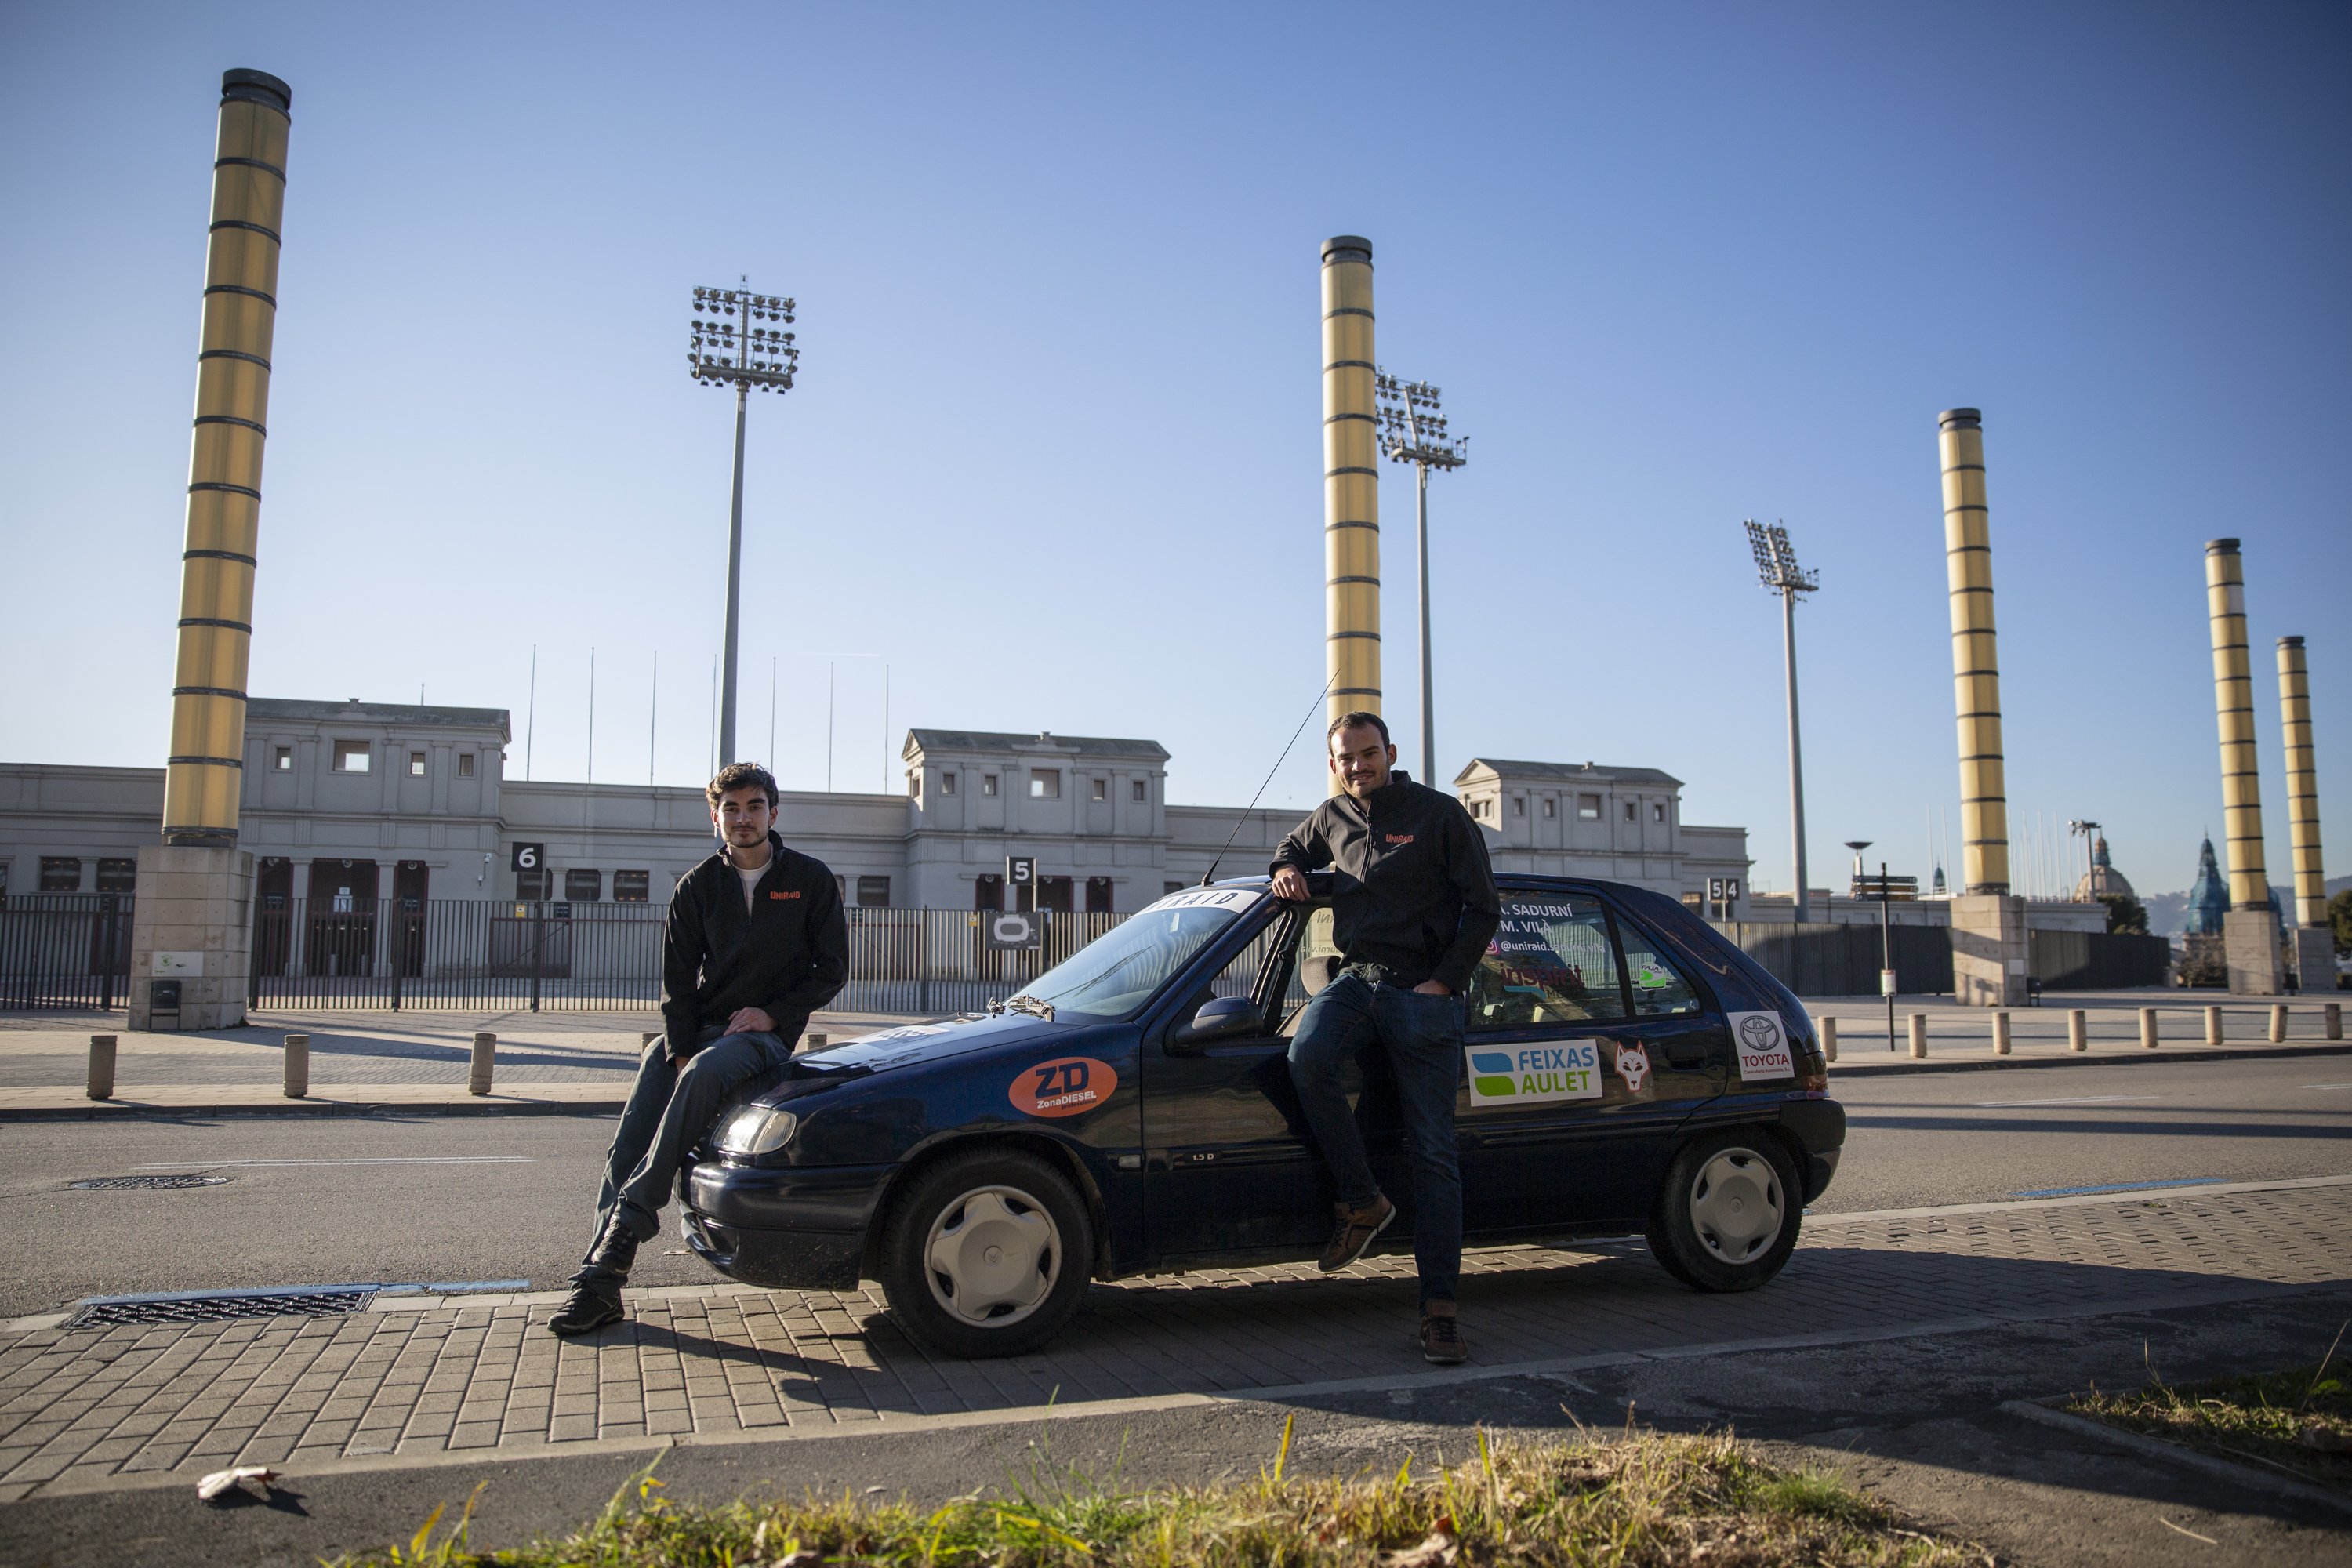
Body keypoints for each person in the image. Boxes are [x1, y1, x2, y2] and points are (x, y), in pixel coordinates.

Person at [549, 762, 849, 1336]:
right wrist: (681, 1051)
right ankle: (600, 1282)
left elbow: (831, 969)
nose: (743, 818)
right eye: (731, 809)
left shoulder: (809, 880)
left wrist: (773, 1014)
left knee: (708, 1071)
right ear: (716, 819)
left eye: (754, 806)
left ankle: (626, 1230)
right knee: (630, 1139)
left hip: (759, 1037)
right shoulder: (696, 886)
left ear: (773, 813)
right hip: (699, 1034)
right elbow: (677, 986)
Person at [1269, 712, 1501, 1364]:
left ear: (1390, 753)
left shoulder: (1439, 815)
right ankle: (1365, 1201)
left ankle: (1440, 1312)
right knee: (1307, 1056)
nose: (1357, 766)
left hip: (1421, 992)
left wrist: (1444, 983)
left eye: (1368, 755)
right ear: (1333, 762)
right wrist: (1286, 868)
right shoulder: (1331, 815)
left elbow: (1484, 906)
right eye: (1346, 758)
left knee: (1434, 1156)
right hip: (1355, 982)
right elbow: (1290, 849)